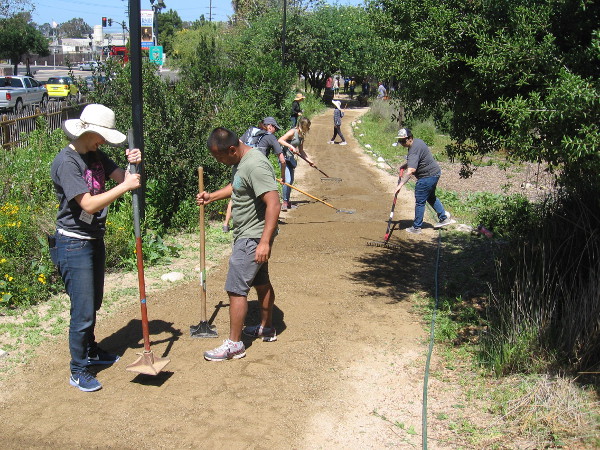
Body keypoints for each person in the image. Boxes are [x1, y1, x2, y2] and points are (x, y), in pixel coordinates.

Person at [49, 104, 142, 392]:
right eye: (101, 136)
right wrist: (125, 188)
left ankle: (91, 350)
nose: (103, 142)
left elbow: (123, 178)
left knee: (94, 302)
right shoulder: (68, 162)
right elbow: (88, 203)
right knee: (83, 310)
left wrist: (132, 163)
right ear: (87, 131)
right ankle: (78, 370)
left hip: (93, 239)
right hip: (72, 242)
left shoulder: (95, 154)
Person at [197, 128, 281, 361]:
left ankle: (234, 344)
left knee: (236, 289)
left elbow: (274, 203)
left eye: (219, 157)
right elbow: (238, 187)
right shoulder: (242, 162)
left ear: (232, 149)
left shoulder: (255, 164)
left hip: (252, 237)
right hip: (251, 234)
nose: (218, 161)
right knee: (261, 282)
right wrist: (211, 196)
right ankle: (267, 327)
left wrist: (264, 242)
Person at [394, 128, 456, 234]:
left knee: (420, 201)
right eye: (400, 141)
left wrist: (400, 184)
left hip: (426, 177)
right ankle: (444, 218)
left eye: (403, 141)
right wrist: (405, 165)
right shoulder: (418, 142)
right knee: (431, 197)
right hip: (435, 173)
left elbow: (411, 170)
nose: (402, 143)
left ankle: (416, 227)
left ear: (410, 138)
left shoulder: (413, 150)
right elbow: (418, 159)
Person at [277, 117, 315, 211]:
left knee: (291, 180)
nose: (308, 129)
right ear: (302, 125)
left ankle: (287, 200)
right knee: (287, 180)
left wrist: (309, 161)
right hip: (284, 158)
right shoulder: (292, 132)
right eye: (307, 127)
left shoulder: (301, 136)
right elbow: (280, 140)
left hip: (291, 159)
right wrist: (290, 146)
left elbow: (301, 151)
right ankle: (284, 202)